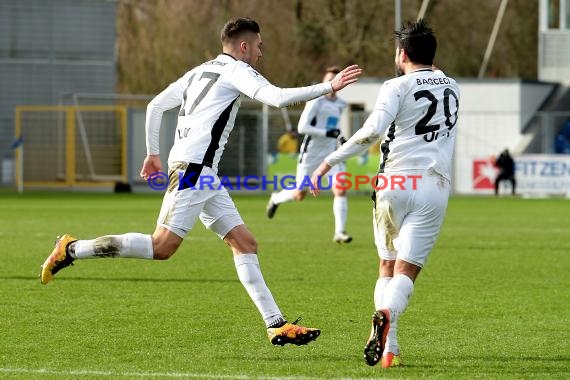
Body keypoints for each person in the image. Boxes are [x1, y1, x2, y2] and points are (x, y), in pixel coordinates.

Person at [40, 17, 362, 346]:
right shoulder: (238, 70)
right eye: (260, 46)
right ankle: (72, 248)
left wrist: (153, 153)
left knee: (245, 243)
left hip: (204, 175)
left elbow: (155, 106)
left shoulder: (199, 71)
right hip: (194, 170)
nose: (261, 54)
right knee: (161, 247)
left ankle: (275, 324)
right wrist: (329, 87)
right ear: (244, 46)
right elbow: (278, 97)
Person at [310, 19, 459, 367]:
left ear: (402, 53)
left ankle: (389, 342)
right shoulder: (453, 86)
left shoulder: (395, 86)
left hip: (393, 184)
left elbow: (371, 131)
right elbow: (432, 72)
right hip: (434, 185)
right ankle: (388, 327)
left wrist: (328, 162)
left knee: (387, 266)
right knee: (407, 271)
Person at [266, 66, 352, 244]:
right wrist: (328, 133)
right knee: (299, 194)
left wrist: (342, 138)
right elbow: (302, 128)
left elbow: (335, 127)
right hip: (311, 153)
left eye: (335, 81)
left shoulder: (341, 104)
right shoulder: (316, 101)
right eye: (329, 80)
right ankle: (276, 198)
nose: (332, 84)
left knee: (341, 189)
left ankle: (339, 232)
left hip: (331, 153)